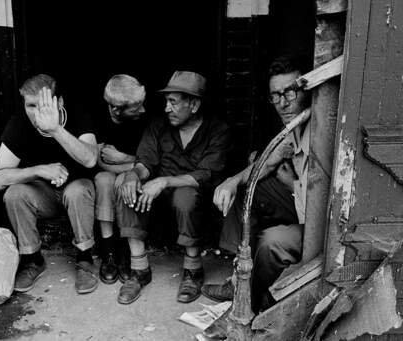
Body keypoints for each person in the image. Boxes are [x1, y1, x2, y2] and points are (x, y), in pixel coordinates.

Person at [202, 56, 311, 316]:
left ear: (306, 90)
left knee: (269, 241)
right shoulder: (294, 126)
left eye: (290, 92)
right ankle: (238, 278)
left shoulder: (321, 124)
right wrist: (232, 181)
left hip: (316, 217)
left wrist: (292, 183)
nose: (283, 103)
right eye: (276, 95)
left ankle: (248, 303)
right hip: (298, 198)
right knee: (246, 187)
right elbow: (267, 162)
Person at [115, 71, 231, 305]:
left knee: (185, 195)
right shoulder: (159, 125)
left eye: (173, 102)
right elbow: (146, 162)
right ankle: (139, 270)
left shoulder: (217, 130)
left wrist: (165, 181)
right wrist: (133, 174)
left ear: (194, 104)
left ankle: (193, 271)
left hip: (196, 200)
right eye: (167, 102)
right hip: (158, 196)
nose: (167, 108)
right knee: (125, 187)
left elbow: (206, 174)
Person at [0, 74, 100, 294]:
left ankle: (85, 258)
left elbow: (90, 159)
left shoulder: (77, 114)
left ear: (58, 103)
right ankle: (33, 260)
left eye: (42, 104)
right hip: (45, 194)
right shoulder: (20, 123)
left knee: (77, 191)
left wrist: (55, 130)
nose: (36, 112)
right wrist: (39, 170)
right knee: (14, 194)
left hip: (78, 190)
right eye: (30, 105)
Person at [94, 74, 148, 284]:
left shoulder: (144, 118)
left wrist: (125, 160)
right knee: (103, 180)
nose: (142, 110)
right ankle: (108, 252)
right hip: (106, 172)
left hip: (133, 174)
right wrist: (132, 163)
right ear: (116, 109)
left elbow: (150, 162)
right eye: (135, 108)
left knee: (123, 181)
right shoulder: (98, 117)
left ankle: (125, 249)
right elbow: (98, 160)